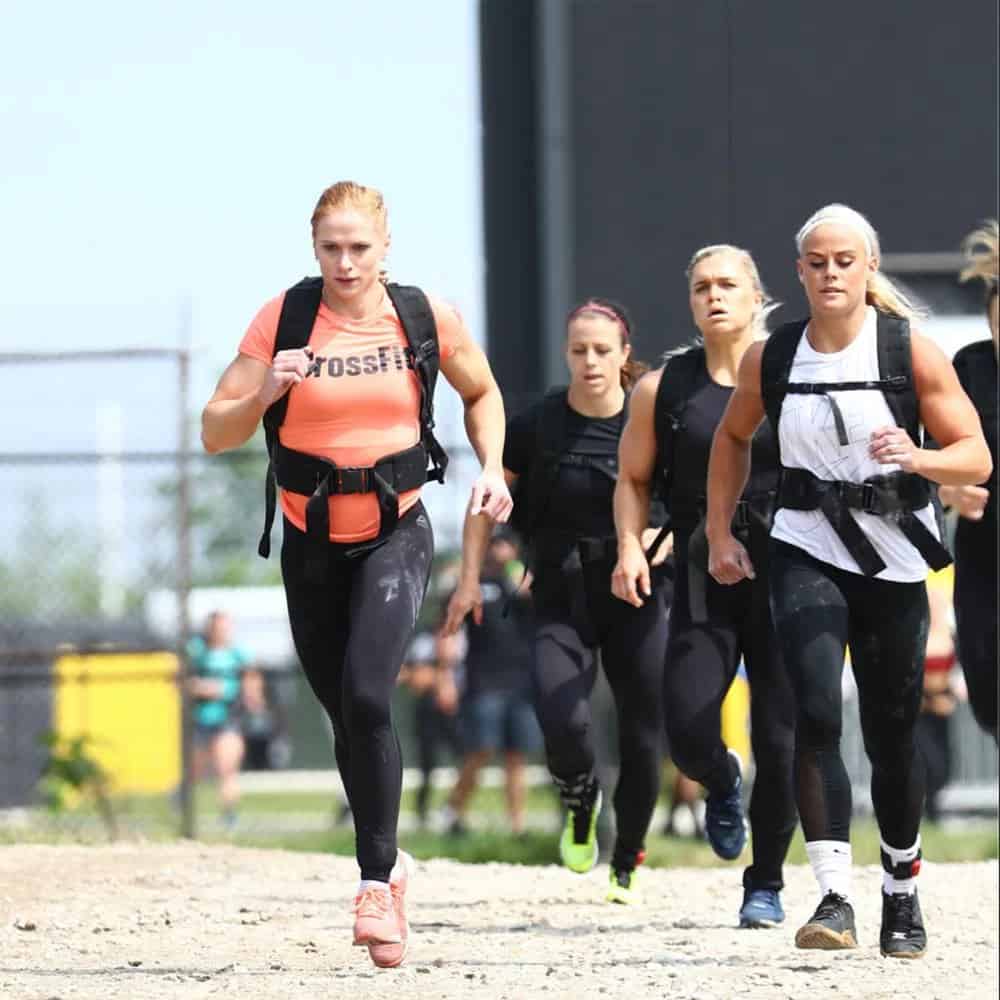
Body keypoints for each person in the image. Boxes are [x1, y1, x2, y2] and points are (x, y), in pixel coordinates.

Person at [200, 180, 512, 969]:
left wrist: (495, 467)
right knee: (345, 711)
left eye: (360, 248)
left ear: (386, 247)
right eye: (332, 248)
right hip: (309, 538)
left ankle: (376, 883)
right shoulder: (284, 319)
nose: (346, 262)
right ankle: (392, 862)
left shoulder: (421, 317)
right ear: (314, 248)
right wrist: (270, 386)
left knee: (371, 693)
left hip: (394, 532)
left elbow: (482, 392)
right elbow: (215, 429)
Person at [706, 203, 991, 958]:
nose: (831, 273)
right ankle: (834, 895)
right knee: (813, 714)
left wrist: (920, 458)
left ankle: (901, 891)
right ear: (800, 272)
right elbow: (732, 439)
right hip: (804, 545)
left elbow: (975, 457)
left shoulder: (909, 351)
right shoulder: (771, 357)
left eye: (845, 261)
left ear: (869, 269)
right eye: (818, 262)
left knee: (892, 734)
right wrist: (718, 529)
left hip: (893, 554)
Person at [444, 298, 672, 905]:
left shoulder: (648, 421)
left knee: (643, 728)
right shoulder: (538, 424)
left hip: (636, 592)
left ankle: (628, 857)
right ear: (566, 354)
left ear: (625, 355)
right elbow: (485, 500)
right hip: (559, 591)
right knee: (560, 711)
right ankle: (579, 800)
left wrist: (655, 540)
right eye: (579, 350)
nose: (590, 361)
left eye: (602, 350)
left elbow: (685, 504)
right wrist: (469, 578)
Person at [613, 245, 797, 929]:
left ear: (756, 295)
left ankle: (766, 883)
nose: (714, 296)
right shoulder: (662, 390)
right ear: (691, 302)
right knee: (687, 730)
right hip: (701, 569)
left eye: (727, 285)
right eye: (701, 288)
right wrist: (630, 545)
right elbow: (632, 481)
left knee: (781, 739)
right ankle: (721, 779)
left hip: (788, 565)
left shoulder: (790, 372)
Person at [441, 528, 541, 836]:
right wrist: (445, 676)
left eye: (506, 545)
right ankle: (453, 813)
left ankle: (518, 827)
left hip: (522, 681)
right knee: (480, 750)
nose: (501, 551)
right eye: (495, 544)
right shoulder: (473, 586)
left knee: (516, 757)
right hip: (483, 681)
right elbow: (448, 631)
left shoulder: (523, 585)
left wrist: (530, 591)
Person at [940, 220, 998, 742]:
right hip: (985, 554)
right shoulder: (971, 367)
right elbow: (942, 450)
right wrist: (950, 490)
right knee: (988, 695)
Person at [185, 610, 251, 830]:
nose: (222, 631)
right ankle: (182, 806)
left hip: (228, 720)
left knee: (227, 769)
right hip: (201, 720)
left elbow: (247, 683)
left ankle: (229, 816)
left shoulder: (238, 654)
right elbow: (185, 681)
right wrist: (203, 688)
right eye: (218, 627)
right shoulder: (197, 651)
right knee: (195, 771)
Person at [397, 628, 464, 830]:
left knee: (466, 758)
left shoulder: (463, 637)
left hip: (458, 708)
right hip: (427, 708)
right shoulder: (423, 640)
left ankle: (455, 809)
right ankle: (422, 811)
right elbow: (409, 675)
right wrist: (438, 680)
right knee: (427, 763)